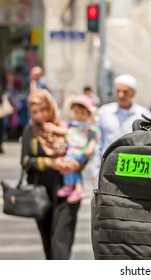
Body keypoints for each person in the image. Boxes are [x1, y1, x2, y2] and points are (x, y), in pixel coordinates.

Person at [21, 89, 83, 259]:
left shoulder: (65, 127)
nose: (40, 115)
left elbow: (81, 148)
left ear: (50, 107)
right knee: (48, 243)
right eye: (35, 112)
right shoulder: (30, 131)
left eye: (43, 109)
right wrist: (50, 162)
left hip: (67, 190)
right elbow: (26, 161)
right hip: (42, 193)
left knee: (61, 243)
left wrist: (77, 163)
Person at [90, 74, 151, 179]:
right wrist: (94, 171)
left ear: (133, 93)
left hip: (132, 170)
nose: (121, 95)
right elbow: (98, 143)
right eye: (118, 91)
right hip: (106, 167)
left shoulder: (144, 116)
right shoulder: (104, 112)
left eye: (125, 92)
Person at [44, 94, 99, 204]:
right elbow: (64, 131)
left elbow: (95, 138)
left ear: (87, 114)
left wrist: (90, 147)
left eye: (82, 113)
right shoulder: (71, 125)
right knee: (70, 166)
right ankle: (74, 187)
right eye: (77, 112)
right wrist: (53, 128)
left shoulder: (88, 127)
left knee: (68, 164)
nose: (79, 116)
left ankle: (74, 187)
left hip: (80, 150)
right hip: (72, 150)